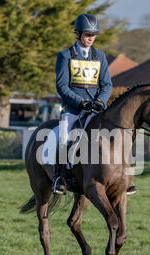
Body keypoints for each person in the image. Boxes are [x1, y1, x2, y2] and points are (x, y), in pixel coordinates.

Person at [53, 13, 137, 195]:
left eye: (93, 35)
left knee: (121, 135)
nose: (90, 38)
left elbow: (106, 84)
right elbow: (61, 86)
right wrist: (80, 102)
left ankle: (125, 177)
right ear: (78, 34)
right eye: (87, 35)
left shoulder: (99, 56)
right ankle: (59, 177)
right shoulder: (65, 56)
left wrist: (100, 100)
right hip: (74, 108)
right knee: (65, 135)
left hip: (97, 108)